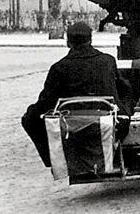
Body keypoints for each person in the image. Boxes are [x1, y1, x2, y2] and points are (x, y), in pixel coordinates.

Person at [21, 22, 130, 167]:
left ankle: (54, 160)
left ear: (68, 43)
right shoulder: (108, 61)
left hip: (71, 126)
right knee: (126, 100)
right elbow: (124, 88)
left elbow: (45, 102)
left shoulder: (58, 68)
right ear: (91, 40)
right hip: (107, 122)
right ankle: (114, 149)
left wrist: (31, 112)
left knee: (29, 119)